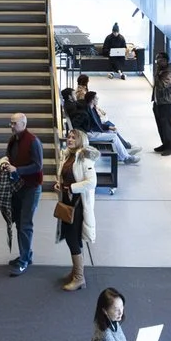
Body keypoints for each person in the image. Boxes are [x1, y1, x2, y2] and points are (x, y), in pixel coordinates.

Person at [3, 110, 44, 274]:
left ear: (24, 124)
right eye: (11, 123)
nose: (11, 126)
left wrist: (17, 170)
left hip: (31, 188)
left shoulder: (33, 141)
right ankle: (26, 254)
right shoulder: (13, 140)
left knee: (25, 224)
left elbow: (38, 166)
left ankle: (24, 261)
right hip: (17, 186)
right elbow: (10, 157)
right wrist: (5, 163)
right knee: (19, 222)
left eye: (14, 123)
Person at [54, 125, 94, 291]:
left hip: (78, 205)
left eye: (73, 138)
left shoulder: (85, 159)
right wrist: (60, 184)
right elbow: (66, 176)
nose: (69, 139)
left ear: (80, 141)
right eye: (69, 137)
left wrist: (71, 188)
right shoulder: (67, 155)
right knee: (72, 237)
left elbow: (91, 182)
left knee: (72, 238)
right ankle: (77, 271)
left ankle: (79, 277)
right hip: (68, 202)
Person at [150, 57, 171, 157]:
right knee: (160, 125)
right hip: (159, 101)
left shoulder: (170, 72)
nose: (157, 62)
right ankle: (164, 144)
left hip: (167, 102)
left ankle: (169, 148)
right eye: (157, 60)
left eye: (160, 60)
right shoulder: (161, 69)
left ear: (166, 61)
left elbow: (162, 85)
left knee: (166, 125)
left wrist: (157, 75)